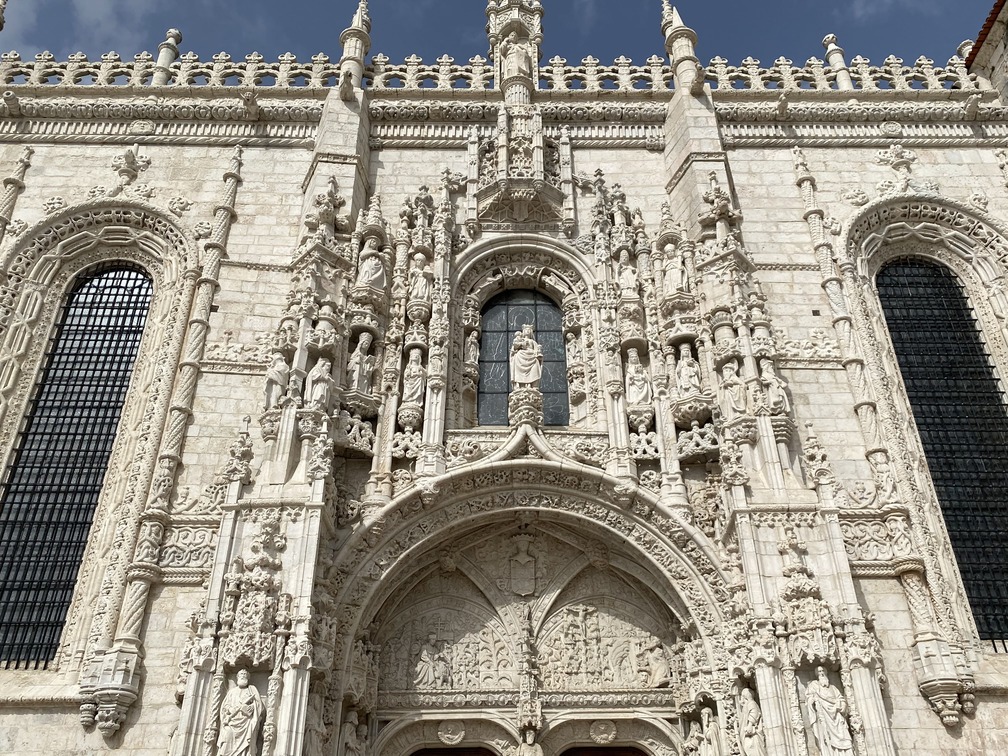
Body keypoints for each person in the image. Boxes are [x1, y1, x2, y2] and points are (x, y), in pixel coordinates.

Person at [805, 666, 854, 756]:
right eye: (819, 671)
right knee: (826, 737)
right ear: (816, 674)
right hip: (824, 717)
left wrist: (842, 706)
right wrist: (813, 701)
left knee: (844, 735)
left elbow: (841, 699)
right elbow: (809, 699)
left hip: (837, 717)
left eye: (823, 671)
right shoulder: (813, 686)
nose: (821, 673)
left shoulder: (833, 688)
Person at [217, 669, 265, 756]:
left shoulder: (252, 689)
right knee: (227, 735)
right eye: (241, 674)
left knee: (248, 742)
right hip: (232, 722)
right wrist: (230, 709)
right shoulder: (232, 692)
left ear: (248, 677)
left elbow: (259, 706)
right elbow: (225, 706)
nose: (243, 676)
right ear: (237, 677)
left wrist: (251, 707)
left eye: (245, 674)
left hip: (247, 723)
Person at [510, 324, 543, 390]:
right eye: (526, 330)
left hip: (531, 357)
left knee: (535, 365)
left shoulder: (533, 342)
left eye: (529, 330)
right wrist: (520, 345)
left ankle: (533, 385)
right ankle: (520, 385)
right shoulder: (519, 339)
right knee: (517, 357)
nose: (527, 331)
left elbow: (537, 351)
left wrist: (538, 352)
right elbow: (514, 349)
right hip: (521, 356)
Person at [737, 688, 768, 756]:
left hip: (752, 734)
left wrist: (750, 724)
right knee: (748, 748)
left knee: (752, 748)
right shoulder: (746, 705)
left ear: (744, 696)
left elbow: (754, 713)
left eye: (742, 696)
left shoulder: (751, 703)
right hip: (747, 733)